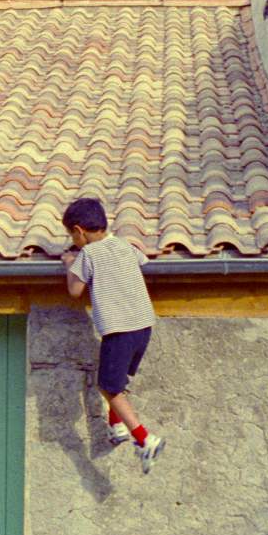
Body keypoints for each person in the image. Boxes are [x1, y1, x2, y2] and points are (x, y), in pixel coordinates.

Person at [60, 197, 165, 474]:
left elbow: (74, 291)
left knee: (108, 386)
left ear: (79, 231)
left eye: (72, 234)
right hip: (143, 326)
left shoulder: (88, 255)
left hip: (119, 330)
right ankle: (117, 426)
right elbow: (142, 259)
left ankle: (145, 439)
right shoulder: (125, 246)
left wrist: (69, 264)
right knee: (119, 380)